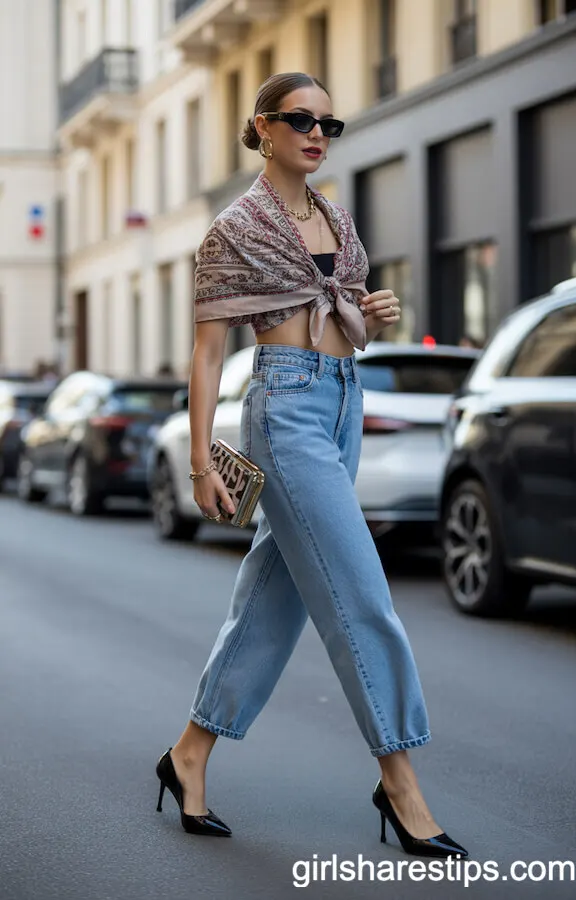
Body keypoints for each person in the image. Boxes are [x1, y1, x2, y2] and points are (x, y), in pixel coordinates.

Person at [155, 72, 468, 859]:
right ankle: (399, 781)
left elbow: (347, 318)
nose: (318, 132)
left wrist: (376, 311)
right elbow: (205, 355)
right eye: (301, 119)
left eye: (331, 122)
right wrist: (200, 463)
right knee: (361, 594)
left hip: (343, 400)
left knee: (276, 595)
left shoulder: (337, 217)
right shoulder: (235, 228)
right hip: (285, 409)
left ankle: (188, 753)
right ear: (263, 128)